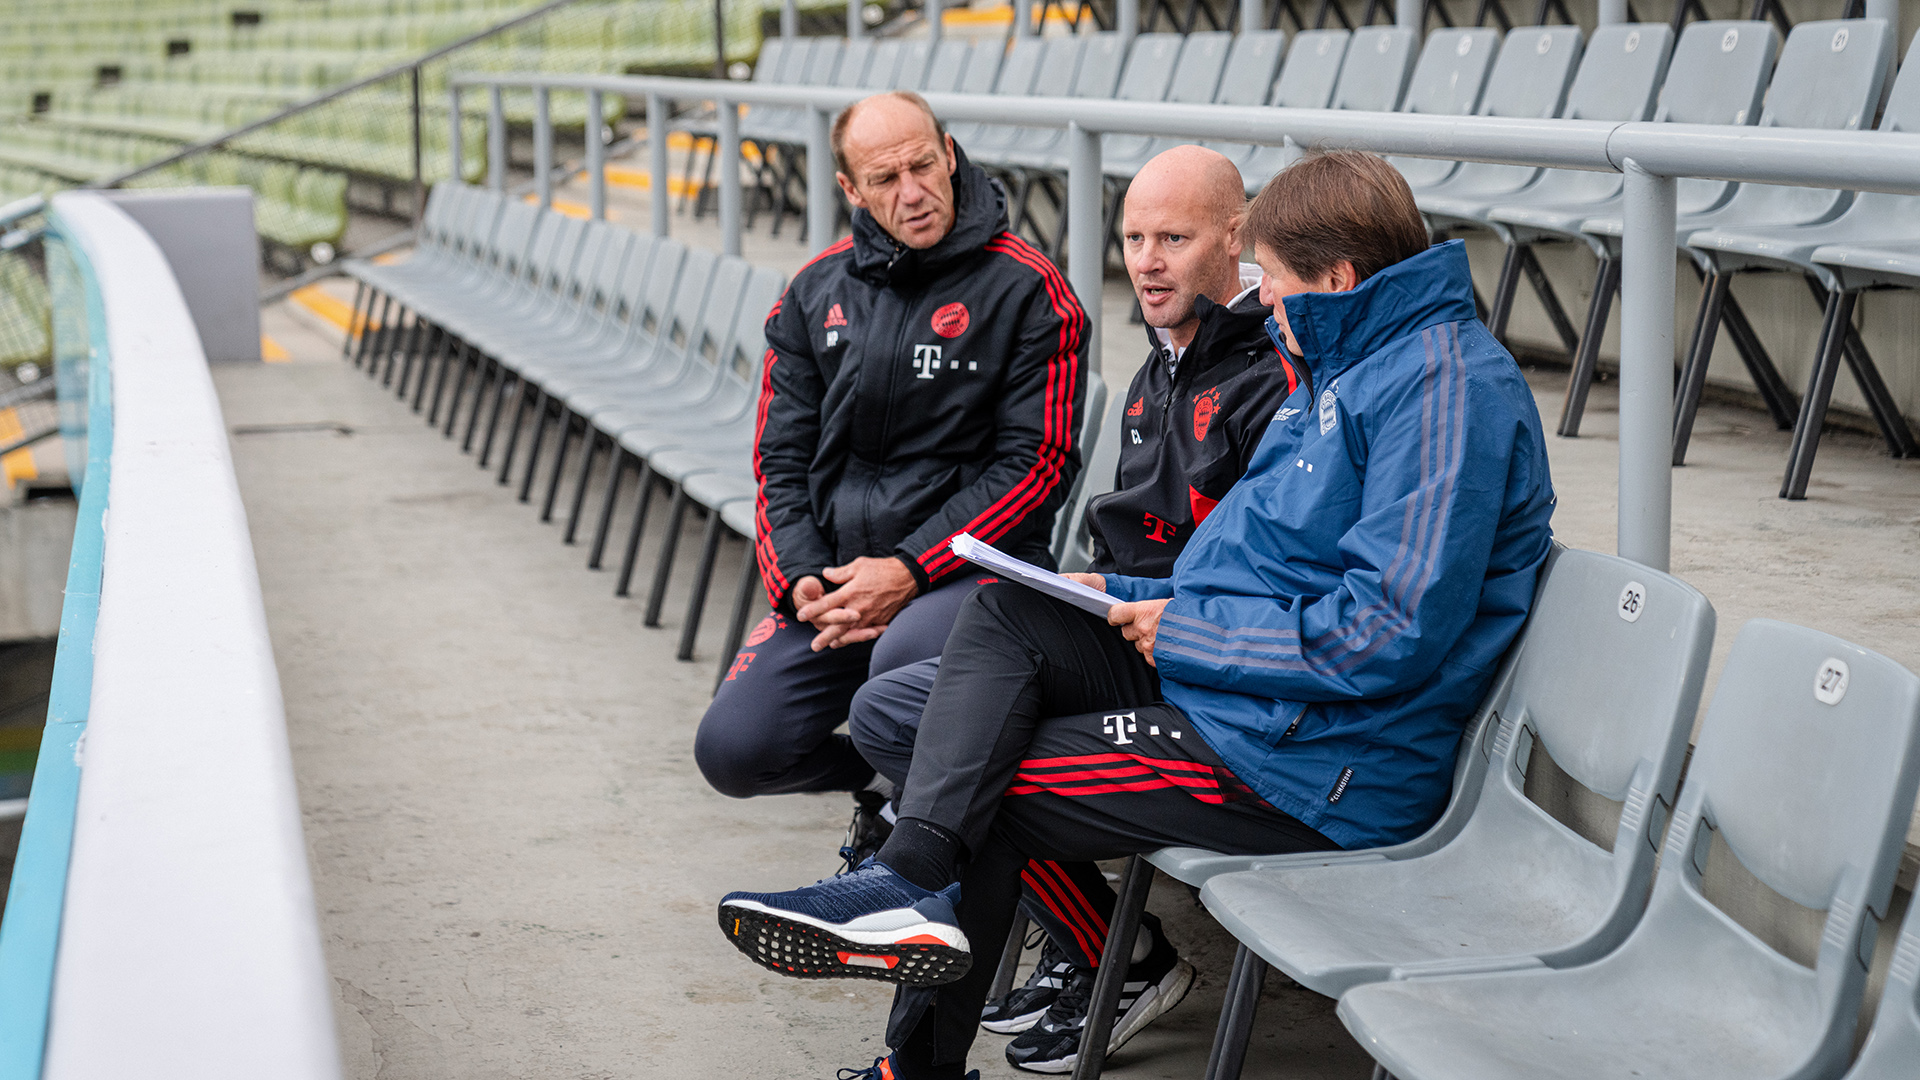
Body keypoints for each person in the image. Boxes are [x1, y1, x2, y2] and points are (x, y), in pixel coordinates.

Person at [714, 150, 1557, 1080]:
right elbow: (1253, 562)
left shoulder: (1444, 388)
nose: (1261, 301)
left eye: (1268, 280)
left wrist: (1186, 630)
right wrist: (1118, 597)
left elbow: (1386, 633)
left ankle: (910, 1047)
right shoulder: (1343, 359)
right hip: (1241, 685)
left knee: (989, 793)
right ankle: (909, 883)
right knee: (1002, 619)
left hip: (1315, 760)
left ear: (1338, 279)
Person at [843, 145, 1306, 1072]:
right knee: (891, 710)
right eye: (1134, 237)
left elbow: (1266, 586)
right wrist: (1100, 590)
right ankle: (1080, 940)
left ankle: (1007, 950)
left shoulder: (1275, 378)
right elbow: (1136, 541)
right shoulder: (1161, 364)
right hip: (1133, 632)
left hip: (1208, 664)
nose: (1147, 260)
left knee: (977, 760)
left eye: (1172, 238)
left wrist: (1135, 599)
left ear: (1235, 236)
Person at [693, 92, 1089, 838]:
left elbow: (1035, 468)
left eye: (922, 165)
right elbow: (780, 461)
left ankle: (923, 857)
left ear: (948, 152)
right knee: (733, 751)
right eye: (885, 179)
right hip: (842, 582)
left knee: (899, 666)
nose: (911, 193)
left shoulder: (1029, 289)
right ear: (850, 189)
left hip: (974, 576)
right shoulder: (814, 290)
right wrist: (805, 582)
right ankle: (885, 786)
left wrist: (908, 570)